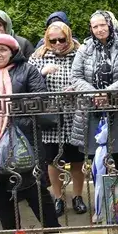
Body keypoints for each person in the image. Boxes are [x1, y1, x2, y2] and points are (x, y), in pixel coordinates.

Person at [0, 33, 60, 231]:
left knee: (34, 188)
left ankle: (53, 231)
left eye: (3, 50)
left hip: (23, 139)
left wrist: (7, 109)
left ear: (12, 52)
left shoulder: (27, 70)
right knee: (0, 192)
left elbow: (40, 99)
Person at [72, 10, 118, 193]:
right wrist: (95, 94)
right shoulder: (85, 48)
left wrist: (107, 93)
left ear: (110, 24)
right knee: (97, 157)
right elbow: (76, 77)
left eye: (102, 25)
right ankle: (101, 199)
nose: (99, 29)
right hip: (92, 109)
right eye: (95, 26)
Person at [32, 20, 87, 218]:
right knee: (53, 160)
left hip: (75, 114)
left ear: (68, 37)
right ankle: (58, 197)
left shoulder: (80, 53)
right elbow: (29, 82)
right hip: (51, 116)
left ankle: (77, 196)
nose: (57, 44)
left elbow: (87, 77)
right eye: (52, 40)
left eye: (61, 40)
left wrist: (76, 88)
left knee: (77, 160)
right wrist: (42, 73)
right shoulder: (39, 56)